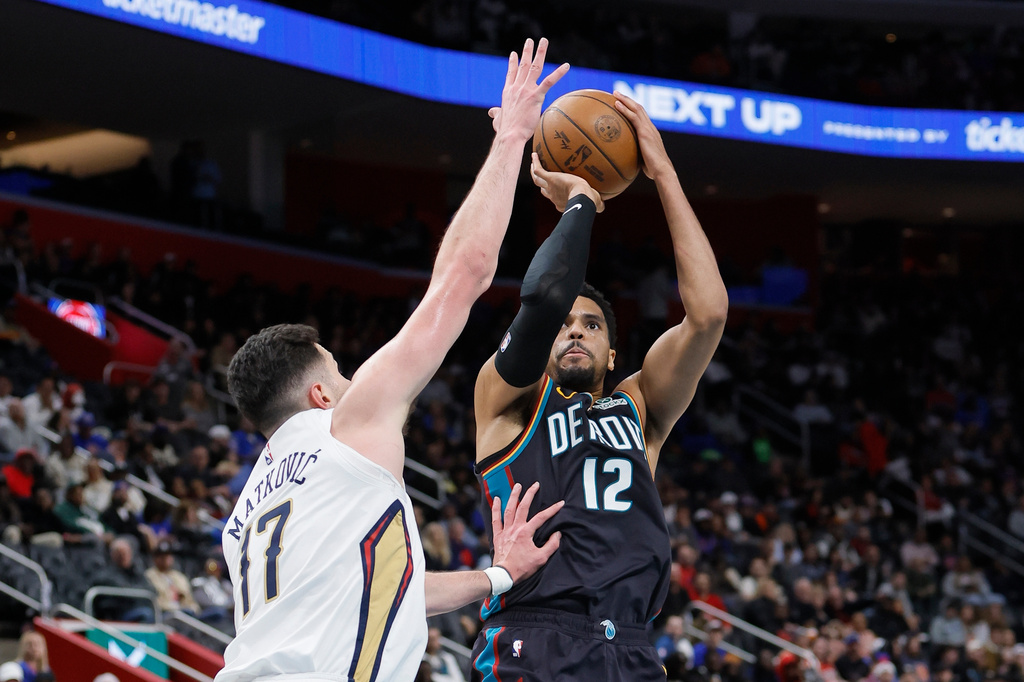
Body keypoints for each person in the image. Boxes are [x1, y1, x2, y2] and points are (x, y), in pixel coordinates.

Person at [215, 37, 570, 682]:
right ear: (323, 395)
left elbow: (385, 589)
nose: (355, 381)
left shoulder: (244, 519)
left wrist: (496, 575)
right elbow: (463, 275)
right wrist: (512, 136)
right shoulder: (348, 428)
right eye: (341, 372)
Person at [470, 92, 728, 681]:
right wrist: (581, 203)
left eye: (591, 325)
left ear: (613, 352)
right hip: (535, 634)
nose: (575, 332)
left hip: (632, 645)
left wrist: (661, 170)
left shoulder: (638, 406)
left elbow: (709, 314)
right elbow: (542, 299)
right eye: (565, 326)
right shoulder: (505, 405)